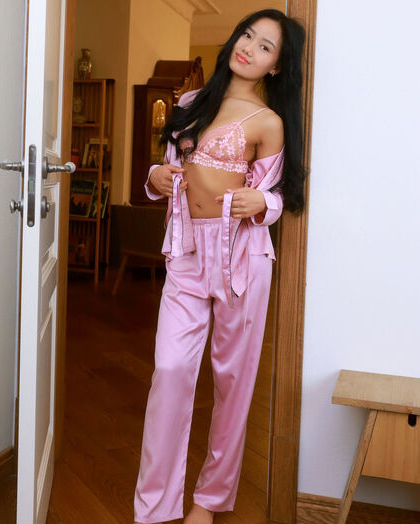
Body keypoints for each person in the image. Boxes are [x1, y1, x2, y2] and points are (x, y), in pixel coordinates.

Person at [133, 8, 306, 524]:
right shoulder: (190, 104)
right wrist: (154, 176)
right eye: (247, 35)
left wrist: (265, 203)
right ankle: (154, 505)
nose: (249, 48)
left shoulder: (269, 122)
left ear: (277, 65)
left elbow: (278, 194)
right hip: (187, 252)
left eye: (265, 46)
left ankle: (208, 501)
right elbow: (168, 170)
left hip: (241, 257)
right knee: (169, 369)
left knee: (233, 381)